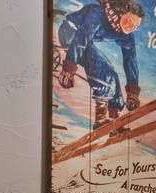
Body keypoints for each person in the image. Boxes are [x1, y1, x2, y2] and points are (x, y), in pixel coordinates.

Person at [57, 0, 145, 128]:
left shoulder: (126, 36)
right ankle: (101, 117)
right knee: (103, 68)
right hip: (70, 33)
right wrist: (68, 70)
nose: (132, 27)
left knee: (113, 73)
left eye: (136, 25)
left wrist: (133, 93)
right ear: (121, 14)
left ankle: (114, 119)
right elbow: (82, 37)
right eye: (130, 20)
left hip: (84, 41)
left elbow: (130, 61)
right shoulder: (98, 14)